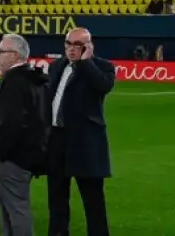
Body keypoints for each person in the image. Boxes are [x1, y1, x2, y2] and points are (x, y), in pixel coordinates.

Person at [0, 34, 48, 236]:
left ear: (14, 55)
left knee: (15, 209)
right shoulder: (34, 79)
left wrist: (2, 152)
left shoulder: (14, 83)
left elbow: (11, 123)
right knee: (9, 206)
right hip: (29, 154)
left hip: (14, 158)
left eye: (0, 52)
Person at [45, 27, 114, 236]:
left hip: (85, 142)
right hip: (57, 139)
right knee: (56, 196)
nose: (72, 49)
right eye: (69, 44)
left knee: (92, 199)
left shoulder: (102, 67)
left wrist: (86, 62)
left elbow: (103, 87)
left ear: (88, 46)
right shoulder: (56, 66)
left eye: (78, 45)